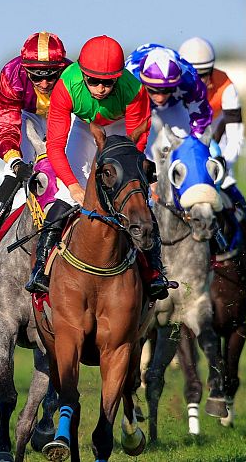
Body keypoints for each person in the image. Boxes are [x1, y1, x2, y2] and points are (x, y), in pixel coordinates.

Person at [31, 35, 173, 300]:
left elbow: (136, 147)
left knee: (139, 200)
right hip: (87, 127)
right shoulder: (66, 86)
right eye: (93, 81)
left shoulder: (134, 90)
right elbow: (55, 147)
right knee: (65, 196)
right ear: (82, 74)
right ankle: (41, 267)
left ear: (118, 78)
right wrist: (73, 186)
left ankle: (154, 271)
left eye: (108, 82)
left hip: (122, 130)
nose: (100, 89)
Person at [0, 32, 71, 270]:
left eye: (51, 76)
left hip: (64, 116)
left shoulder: (72, 75)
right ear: (26, 70)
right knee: (13, 173)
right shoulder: (11, 73)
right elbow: (6, 122)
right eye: (37, 77)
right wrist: (15, 161)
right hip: (28, 118)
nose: (44, 84)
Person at [179, 37, 246, 262]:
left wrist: (224, 163)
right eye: (194, 75)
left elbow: (235, 134)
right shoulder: (172, 87)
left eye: (204, 74)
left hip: (218, 146)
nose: (200, 81)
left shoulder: (226, 87)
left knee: (230, 188)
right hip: (186, 148)